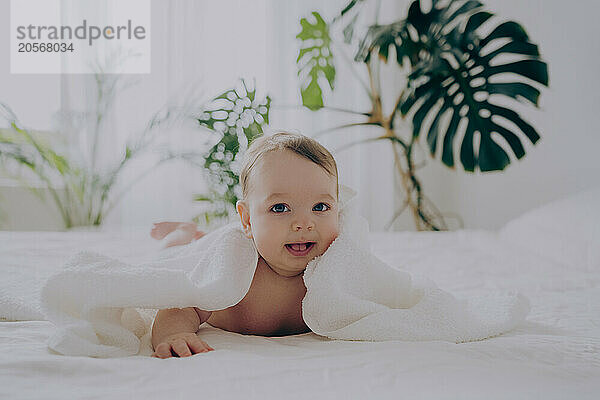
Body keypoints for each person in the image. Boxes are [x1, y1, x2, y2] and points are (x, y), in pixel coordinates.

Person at [150, 132, 340, 358]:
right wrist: (174, 334)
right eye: (280, 208)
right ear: (248, 220)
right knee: (169, 255)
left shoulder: (335, 265)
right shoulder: (233, 262)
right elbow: (180, 305)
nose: (303, 224)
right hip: (208, 248)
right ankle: (181, 232)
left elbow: (379, 290)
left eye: (320, 207)